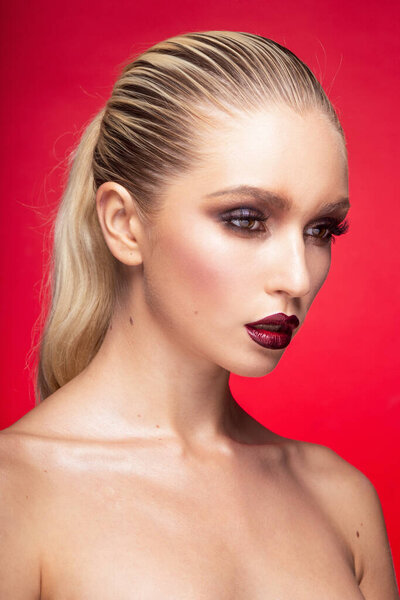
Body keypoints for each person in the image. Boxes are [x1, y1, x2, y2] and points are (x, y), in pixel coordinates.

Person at [0, 30, 398, 599]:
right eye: (245, 219)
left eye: (321, 230)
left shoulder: (340, 497)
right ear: (124, 224)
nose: (298, 276)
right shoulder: (14, 498)